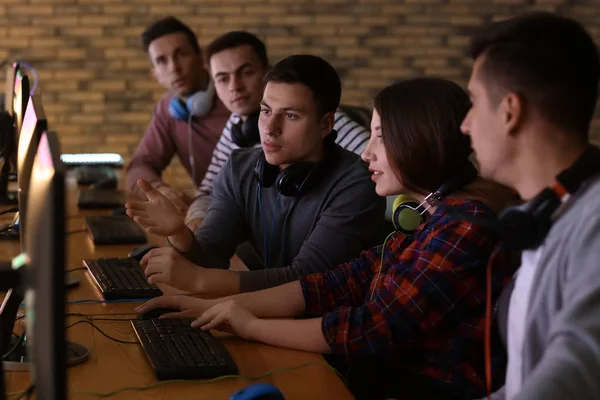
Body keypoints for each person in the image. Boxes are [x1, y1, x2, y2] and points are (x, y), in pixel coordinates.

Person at [135, 77, 517, 400]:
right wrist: (212, 306)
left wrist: (249, 324)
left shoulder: (465, 227)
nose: (367, 152)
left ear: (420, 141)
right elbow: (337, 283)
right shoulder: (430, 215)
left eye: (380, 137)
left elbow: (372, 329)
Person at [126, 54, 386, 295]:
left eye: (291, 115)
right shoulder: (240, 168)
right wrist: (179, 233)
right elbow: (210, 257)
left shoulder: (357, 184)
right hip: (265, 316)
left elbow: (308, 280)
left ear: (325, 124)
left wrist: (200, 281)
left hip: (330, 329)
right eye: (265, 111)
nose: (270, 129)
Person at [460, 12, 600, 400]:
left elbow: (577, 371)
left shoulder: (594, 220)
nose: (465, 125)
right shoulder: (547, 216)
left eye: (473, 103)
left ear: (510, 111)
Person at [184, 31, 371, 230]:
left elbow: (384, 167)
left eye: (246, 73)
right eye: (222, 79)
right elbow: (207, 190)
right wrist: (195, 220)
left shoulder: (323, 124)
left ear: (267, 73)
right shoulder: (236, 124)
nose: (235, 87)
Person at [126, 16, 230, 213]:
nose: (174, 68)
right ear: (155, 74)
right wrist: (160, 189)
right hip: (209, 212)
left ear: (201, 58)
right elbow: (139, 166)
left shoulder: (235, 95)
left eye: (181, 54)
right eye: (162, 61)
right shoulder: (168, 108)